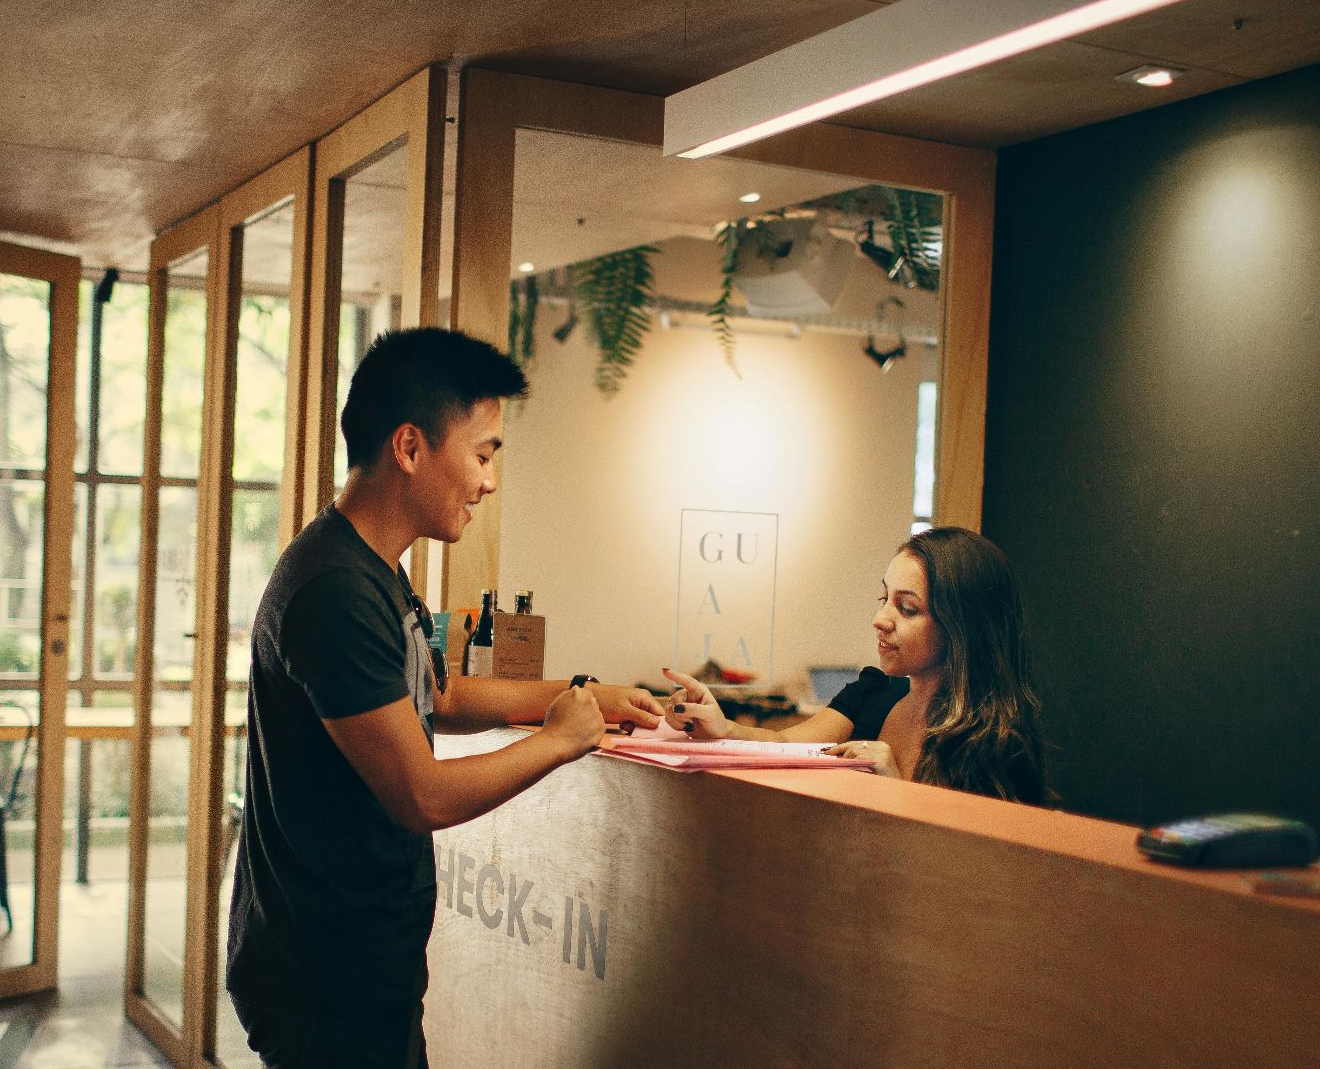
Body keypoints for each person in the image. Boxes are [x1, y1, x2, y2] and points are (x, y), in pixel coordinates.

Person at [226, 326, 662, 1068]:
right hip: (324, 974)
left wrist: (583, 693)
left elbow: (439, 694)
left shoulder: (373, 571)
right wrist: (557, 740)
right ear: (409, 447)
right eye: (484, 453)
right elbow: (420, 796)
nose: (489, 481)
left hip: (357, 961)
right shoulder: (334, 591)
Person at [665, 527, 1047, 805]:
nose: (880, 619)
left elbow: (978, 872)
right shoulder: (873, 693)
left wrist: (894, 786)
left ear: (962, 627)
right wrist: (722, 727)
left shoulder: (997, 743)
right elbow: (784, 745)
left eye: (907, 608)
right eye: (884, 598)